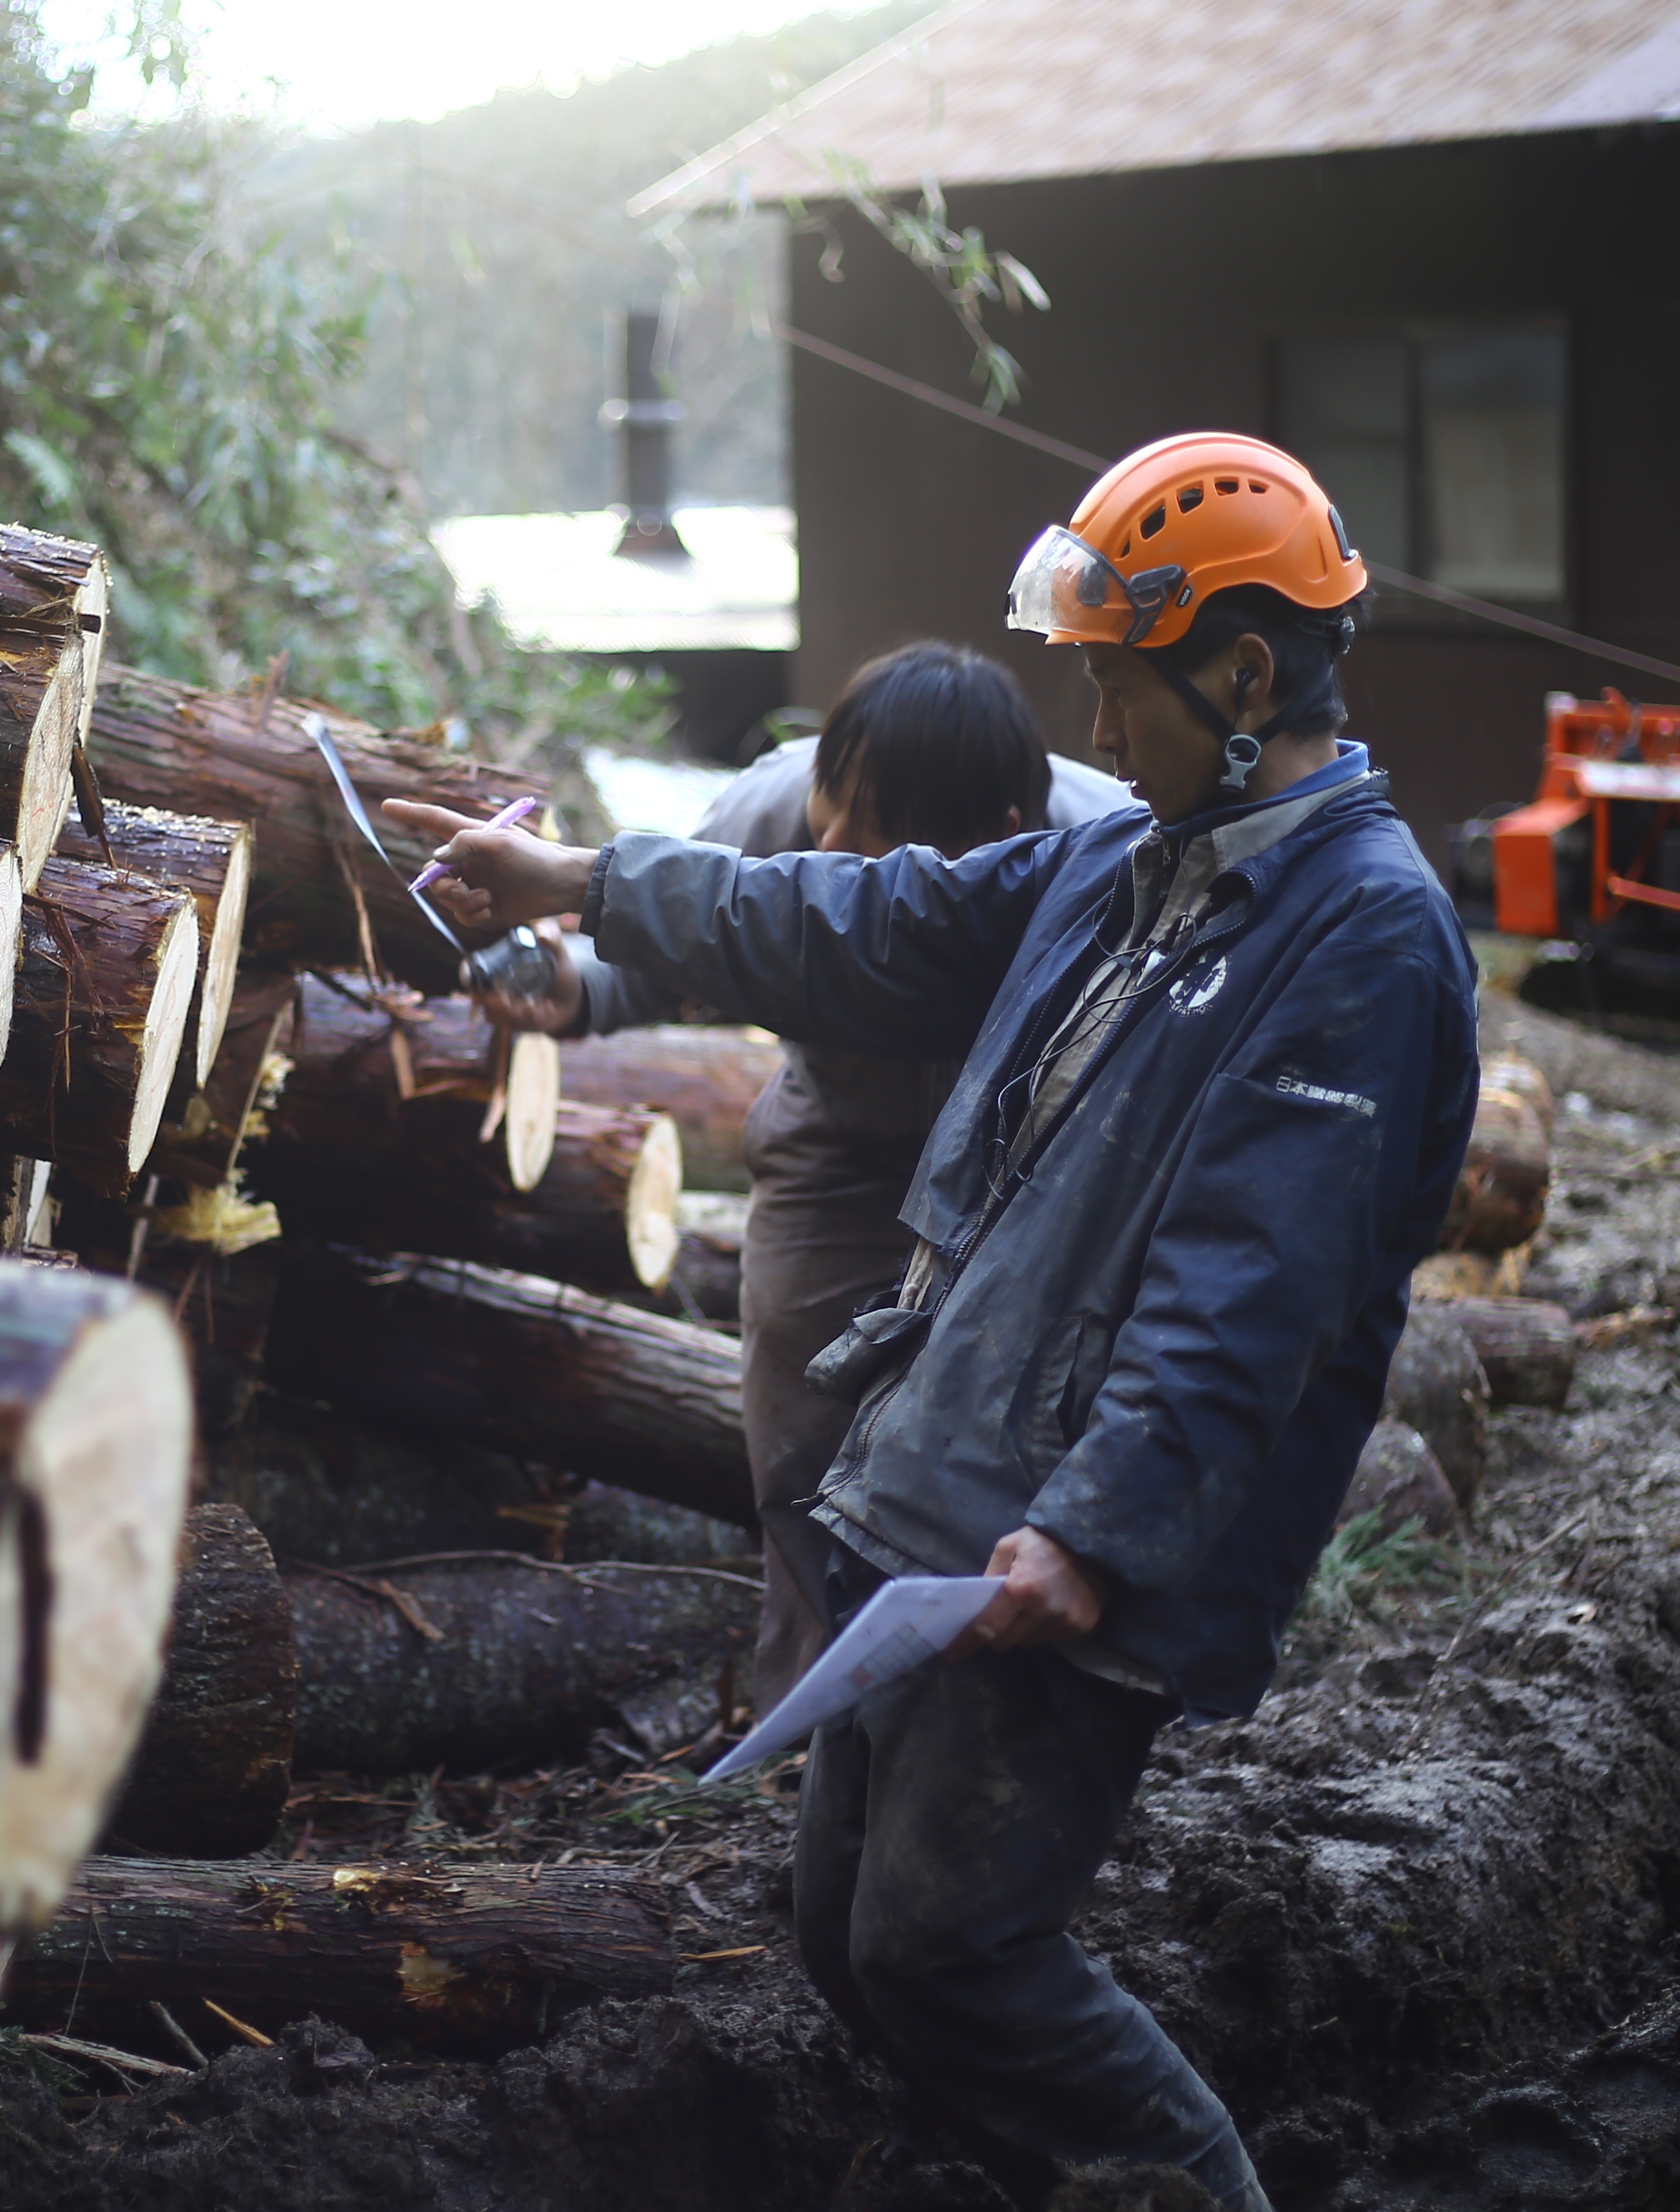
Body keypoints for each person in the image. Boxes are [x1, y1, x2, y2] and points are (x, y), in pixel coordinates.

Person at [391, 433, 1478, 2211]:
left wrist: (1096, 1531)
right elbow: (860, 916)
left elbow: (1249, 1284)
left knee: (948, 1947)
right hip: (941, 1492)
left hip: (1060, 1544)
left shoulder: (1359, 938)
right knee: (844, 1927)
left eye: (1117, 685)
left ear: (1243, 676)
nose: (1096, 727)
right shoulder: (1132, 863)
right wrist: (584, 885)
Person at [493, 642, 1129, 1717]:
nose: (826, 846)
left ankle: (989, 1708)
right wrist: (567, 983)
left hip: (1037, 1170)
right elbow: (672, 934)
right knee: (797, 1428)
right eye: (828, 810)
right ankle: (807, 1707)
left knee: (1006, 1445)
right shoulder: (776, 806)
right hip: (839, 1143)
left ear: (997, 842)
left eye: (869, 833)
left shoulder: (1102, 849)